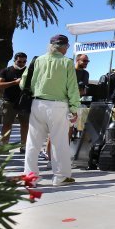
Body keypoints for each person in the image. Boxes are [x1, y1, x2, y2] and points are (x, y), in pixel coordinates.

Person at [21, 34, 80, 186]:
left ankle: (30, 177)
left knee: (33, 142)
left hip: (37, 103)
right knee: (59, 142)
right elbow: (72, 87)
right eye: (67, 46)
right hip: (58, 105)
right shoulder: (67, 63)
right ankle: (60, 177)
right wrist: (74, 108)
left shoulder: (37, 60)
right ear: (63, 46)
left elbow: (23, 83)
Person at [0, 52, 30, 151]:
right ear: (14, 60)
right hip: (9, 102)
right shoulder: (6, 71)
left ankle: (24, 146)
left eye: (24, 62)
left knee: (25, 125)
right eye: (19, 61)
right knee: (7, 124)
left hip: (24, 103)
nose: (22, 64)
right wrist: (14, 82)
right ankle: (4, 145)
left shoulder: (28, 72)